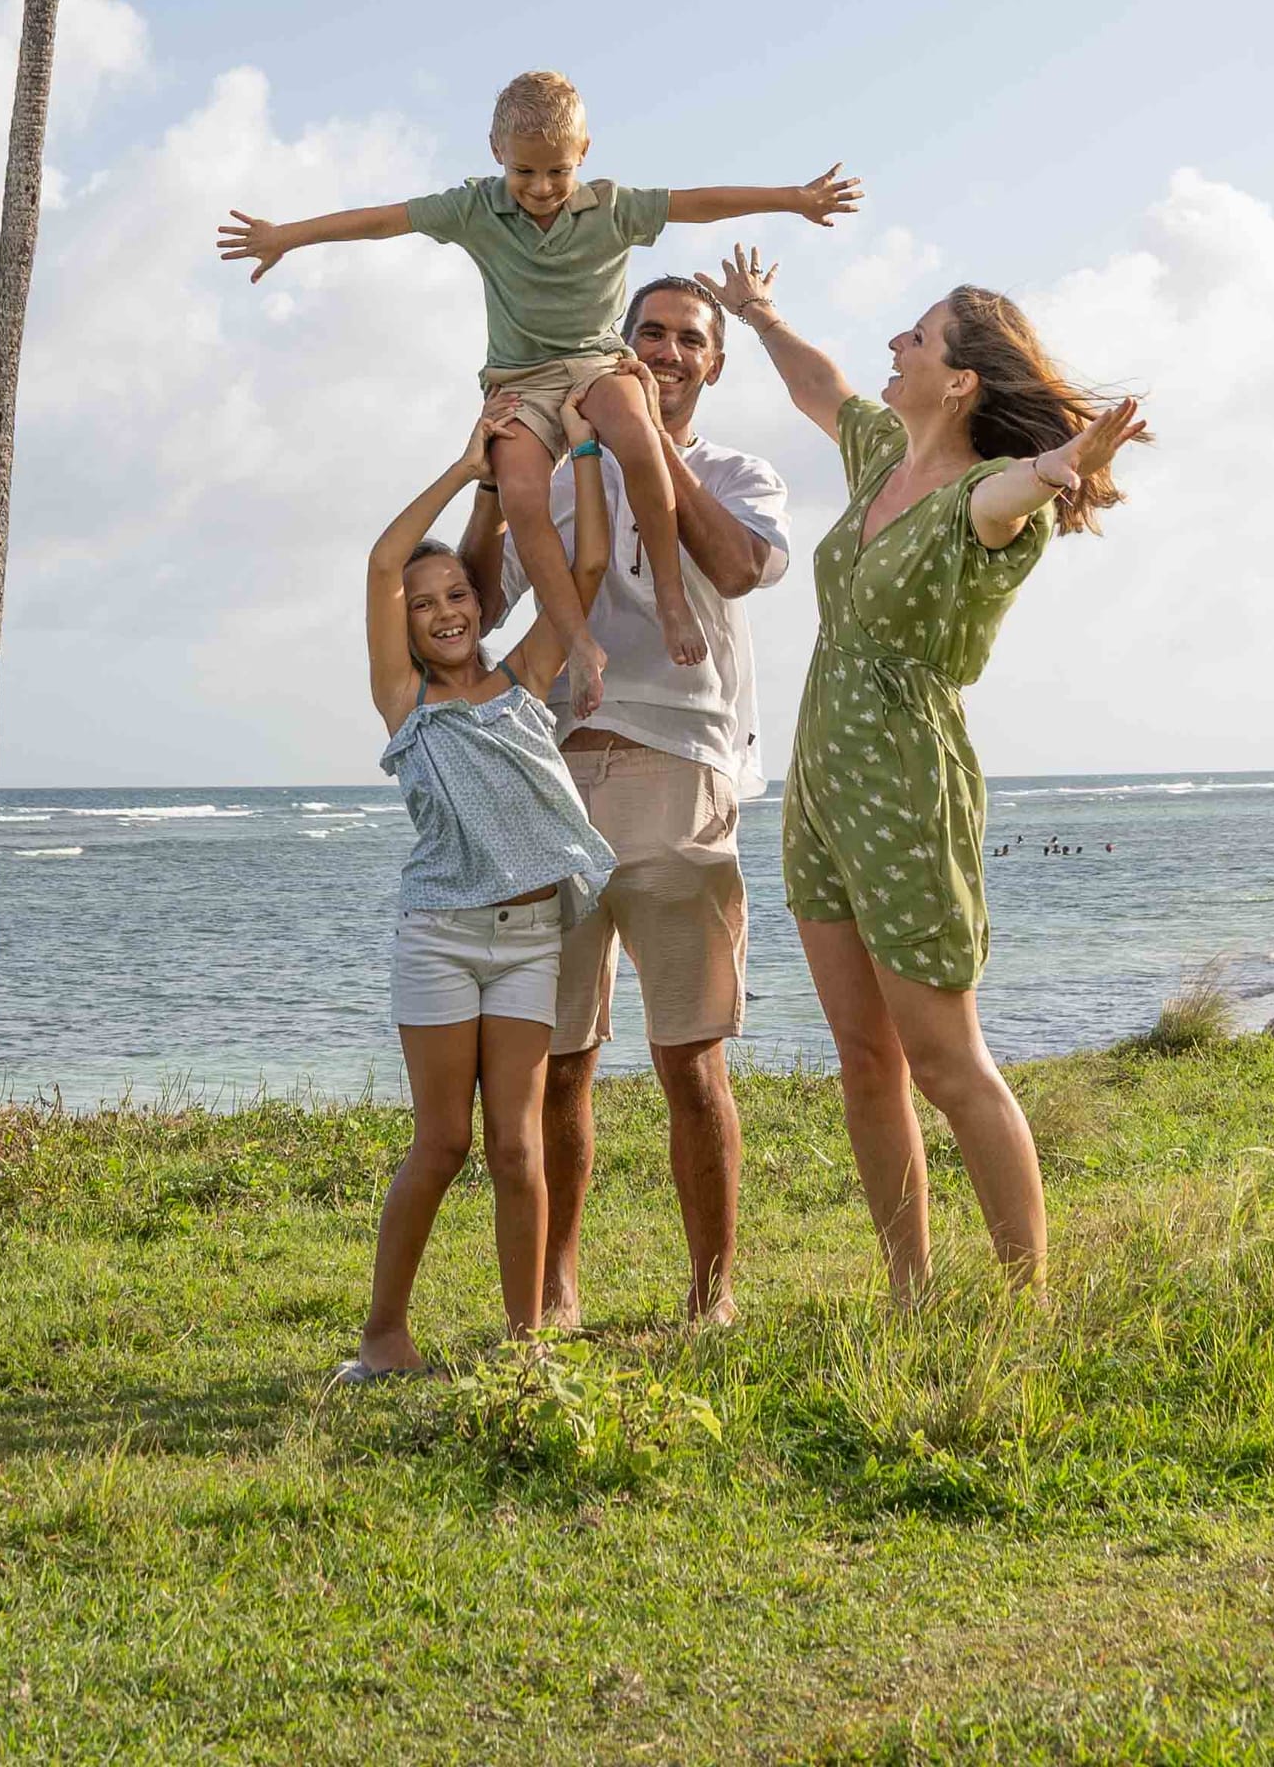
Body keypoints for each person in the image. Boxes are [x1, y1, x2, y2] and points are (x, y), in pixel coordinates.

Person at [694, 246, 1148, 1300]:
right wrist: (757, 315)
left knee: (945, 1061)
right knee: (863, 1058)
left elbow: (1018, 499)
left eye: (916, 335)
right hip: (817, 790)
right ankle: (911, 1294)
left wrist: (1063, 461)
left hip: (903, 782)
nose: (892, 344)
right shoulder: (877, 462)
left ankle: (1022, 1303)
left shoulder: (982, 492)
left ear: (958, 379)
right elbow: (823, 388)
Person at [217, 70, 857, 709]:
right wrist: (284, 237)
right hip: (518, 381)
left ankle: (670, 595)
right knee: (520, 491)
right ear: (497, 153)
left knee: (640, 440)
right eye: (525, 172)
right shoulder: (473, 208)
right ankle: (578, 642)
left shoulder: (613, 207)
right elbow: (384, 221)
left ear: (583, 154)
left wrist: (794, 198)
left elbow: (699, 203)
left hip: (599, 364)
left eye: (558, 171)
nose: (542, 188)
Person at [460, 275, 789, 1327]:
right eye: (645, 334)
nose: (665, 350)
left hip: (675, 767)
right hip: (549, 772)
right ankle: (553, 1291)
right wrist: (488, 476)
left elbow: (735, 569)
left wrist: (650, 449)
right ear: (615, 347)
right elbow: (469, 601)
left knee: (688, 1058)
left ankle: (711, 1294)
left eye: (687, 339)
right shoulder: (548, 484)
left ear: (714, 363)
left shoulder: (739, 472)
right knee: (557, 1059)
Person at [340, 388, 618, 1381]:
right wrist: (465, 472)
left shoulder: (523, 681)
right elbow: (381, 562)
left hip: (529, 940)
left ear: (477, 603)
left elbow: (580, 569)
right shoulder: (403, 702)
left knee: (516, 1147)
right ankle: (383, 1338)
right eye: (423, 607)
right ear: (406, 630)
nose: (442, 611)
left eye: (455, 594)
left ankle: (524, 1344)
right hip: (440, 940)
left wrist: (581, 448)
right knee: (440, 1142)